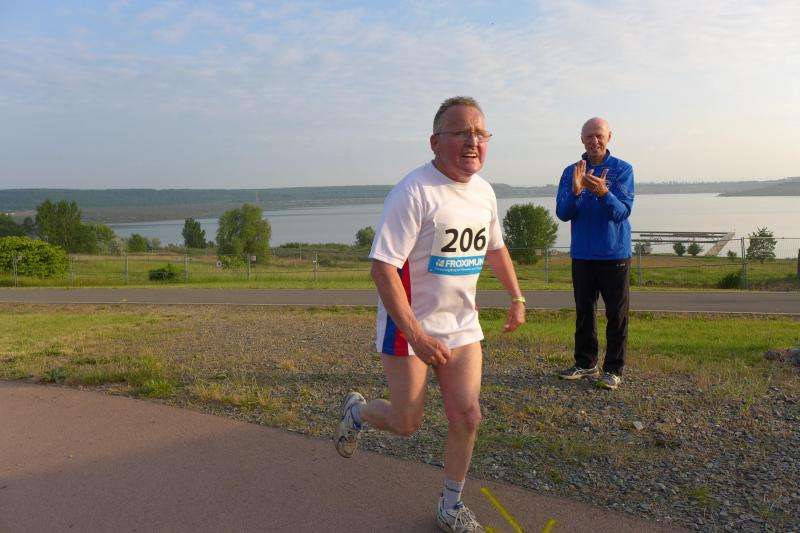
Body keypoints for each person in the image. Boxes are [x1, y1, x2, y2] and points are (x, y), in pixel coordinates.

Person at [334, 96, 526, 532]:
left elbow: (495, 248)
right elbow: (382, 268)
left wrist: (517, 297)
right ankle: (358, 412)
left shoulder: (484, 192)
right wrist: (417, 335)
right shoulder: (413, 192)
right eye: (461, 132)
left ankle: (451, 506)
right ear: (436, 141)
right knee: (406, 423)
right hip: (409, 327)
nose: (473, 141)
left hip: (462, 326)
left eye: (480, 133)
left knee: (468, 415)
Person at [555, 117, 634, 390]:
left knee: (616, 315)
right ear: (582, 139)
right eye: (589, 136)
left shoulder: (622, 169)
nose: (594, 141)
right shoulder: (571, 172)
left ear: (609, 137)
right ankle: (586, 363)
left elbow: (622, 212)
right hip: (582, 255)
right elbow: (562, 213)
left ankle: (613, 370)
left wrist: (603, 193)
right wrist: (576, 192)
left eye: (599, 135)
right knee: (584, 312)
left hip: (614, 255)